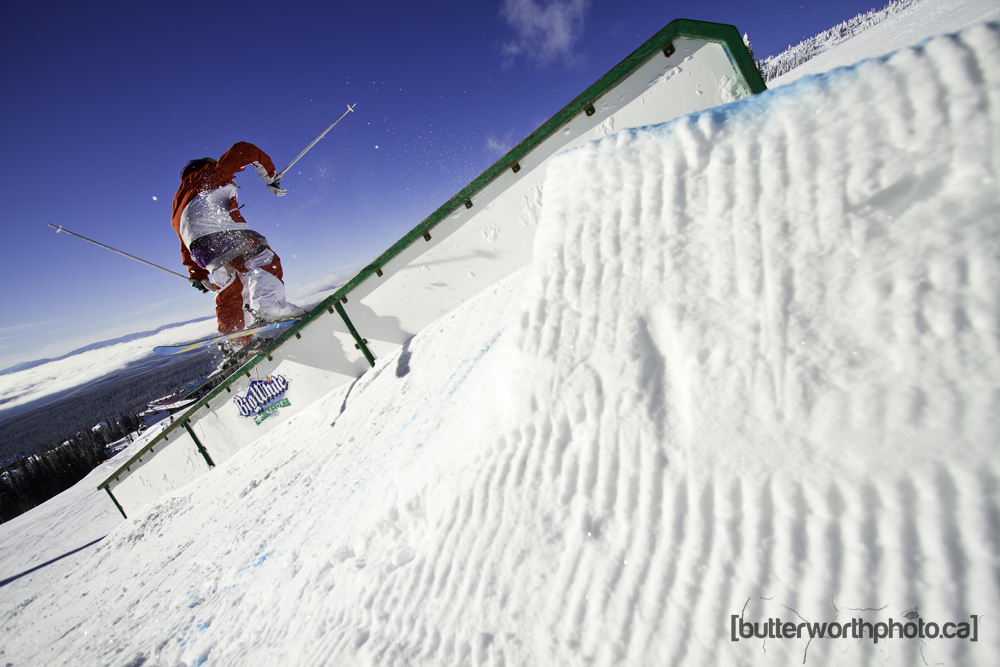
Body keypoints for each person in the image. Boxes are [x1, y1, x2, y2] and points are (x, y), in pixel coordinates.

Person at [171, 142, 305, 337]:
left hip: (202, 251)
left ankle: (236, 340)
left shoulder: (178, 207)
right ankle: (270, 306)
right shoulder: (210, 173)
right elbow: (244, 149)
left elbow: (186, 243)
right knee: (262, 258)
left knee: (231, 287)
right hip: (221, 232)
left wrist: (197, 274)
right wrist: (269, 177)